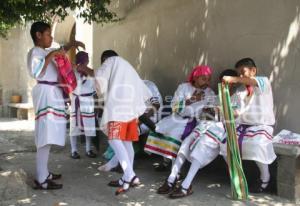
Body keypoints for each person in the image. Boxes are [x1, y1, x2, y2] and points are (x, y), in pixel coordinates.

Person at [157, 69, 239, 198]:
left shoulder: (236, 97)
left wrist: (219, 112)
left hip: (219, 129)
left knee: (201, 148)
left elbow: (236, 116)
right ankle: (171, 179)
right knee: (184, 145)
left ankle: (185, 185)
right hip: (202, 125)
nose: (227, 86)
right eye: (223, 83)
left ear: (236, 83)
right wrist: (207, 111)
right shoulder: (214, 96)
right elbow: (201, 113)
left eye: (230, 83)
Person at [27, 21, 84, 189]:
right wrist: (51, 56)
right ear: (38, 35)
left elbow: (60, 51)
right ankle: (41, 179)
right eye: (48, 34)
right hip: (45, 93)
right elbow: (37, 71)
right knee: (45, 135)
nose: (51, 37)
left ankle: (43, 172)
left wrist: (72, 44)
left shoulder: (44, 52)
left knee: (49, 135)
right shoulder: (35, 52)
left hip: (52, 93)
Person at [94, 50, 152, 195]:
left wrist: (99, 92)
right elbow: (142, 87)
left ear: (105, 59)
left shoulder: (109, 62)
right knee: (127, 142)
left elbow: (99, 82)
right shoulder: (127, 65)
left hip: (118, 108)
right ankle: (126, 178)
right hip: (131, 109)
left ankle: (130, 175)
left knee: (114, 140)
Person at [144, 65, 216, 171]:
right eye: (204, 79)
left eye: (209, 79)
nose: (207, 82)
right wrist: (192, 99)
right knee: (161, 129)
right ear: (196, 77)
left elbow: (211, 110)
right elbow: (174, 106)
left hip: (195, 122)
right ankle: (166, 162)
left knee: (175, 135)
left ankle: (175, 170)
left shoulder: (209, 92)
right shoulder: (183, 87)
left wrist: (208, 110)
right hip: (178, 118)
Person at [221, 58, 276, 193]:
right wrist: (227, 111)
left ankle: (265, 178)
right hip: (243, 127)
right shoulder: (241, 92)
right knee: (224, 145)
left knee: (257, 145)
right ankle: (239, 176)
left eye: (242, 72)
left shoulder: (264, 82)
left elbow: (248, 81)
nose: (240, 76)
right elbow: (239, 112)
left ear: (253, 71)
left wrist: (233, 79)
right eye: (238, 73)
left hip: (262, 126)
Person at [98, 79, 162, 172]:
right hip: (137, 117)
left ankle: (119, 164)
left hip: (150, 118)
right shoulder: (129, 88)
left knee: (127, 134)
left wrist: (139, 120)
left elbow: (156, 105)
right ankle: (120, 164)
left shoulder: (148, 87)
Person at [69, 51, 97, 159]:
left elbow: (94, 90)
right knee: (74, 126)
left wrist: (96, 104)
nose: (88, 61)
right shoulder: (73, 72)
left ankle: (88, 149)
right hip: (76, 101)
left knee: (89, 126)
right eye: (86, 59)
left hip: (88, 102)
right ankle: (74, 150)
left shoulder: (91, 73)